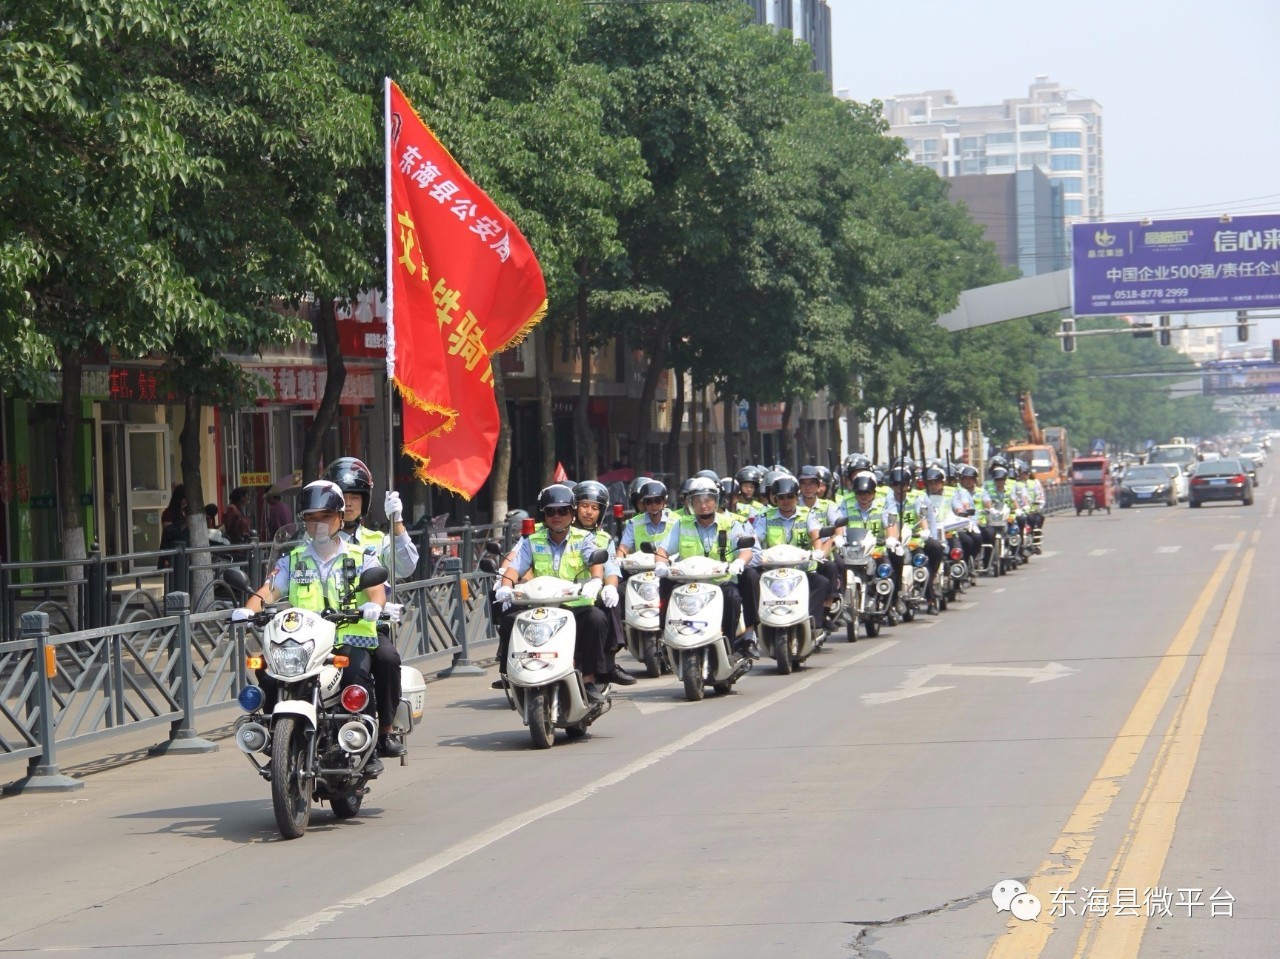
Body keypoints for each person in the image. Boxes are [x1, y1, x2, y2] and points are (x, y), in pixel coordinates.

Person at [231, 480, 388, 772]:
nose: (318, 525)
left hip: (348, 636)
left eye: (325, 517)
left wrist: (373, 606)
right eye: (310, 518)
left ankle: (368, 746)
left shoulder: (361, 555)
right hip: (305, 641)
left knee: (356, 675)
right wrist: (248, 609)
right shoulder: (293, 560)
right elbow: (269, 590)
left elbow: (377, 590)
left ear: (341, 517)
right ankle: (276, 739)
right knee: (265, 671)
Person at [322, 456, 418, 759]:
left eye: (354, 497)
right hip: (321, 629)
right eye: (342, 497)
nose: (348, 504)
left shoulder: (377, 539)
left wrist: (397, 523)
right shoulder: (313, 541)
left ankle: (385, 730)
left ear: (364, 502)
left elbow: (407, 565)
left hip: (367, 627)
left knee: (388, 659)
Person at [491, 485, 612, 701]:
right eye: (551, 511)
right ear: (543, 514)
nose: (557, 516)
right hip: (539, 606)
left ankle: (590, 680)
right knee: (509, 620)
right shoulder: (532, 540)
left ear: (572, 513)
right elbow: (515, 566)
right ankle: (510, 674)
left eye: (563, 510)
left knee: (597, 619)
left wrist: (595, 581)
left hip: (574, 604)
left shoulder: (584, 538)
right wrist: (505, 585)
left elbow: (594, 559)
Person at [654, 476, 760, 659]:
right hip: (688, 582)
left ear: (716, 501)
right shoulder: (681, 524)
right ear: (690, 503)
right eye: (698, 500)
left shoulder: (730, 524)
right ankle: (664, 638)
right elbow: (663, 549)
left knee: (733, 597)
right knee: (664, 583)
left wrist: (739, 562)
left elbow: (746, 550)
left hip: (719, 582)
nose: (704, 504)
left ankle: (730, 645)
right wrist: (660, 564)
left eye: (708, 499)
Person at [572, 479, 634, 686]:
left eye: (594, 508)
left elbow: (611, 571)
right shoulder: (560, 533)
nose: (589, 512)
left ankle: (608, 664)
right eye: (584, 506)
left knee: (613, 602)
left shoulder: (604, 539)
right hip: (561, 597)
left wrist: (609, 587)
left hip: (591, 597)